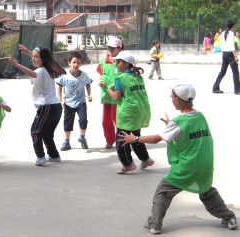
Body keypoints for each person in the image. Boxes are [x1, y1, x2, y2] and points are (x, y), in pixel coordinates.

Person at [119, 84, 238, 234]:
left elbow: (157, 139)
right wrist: (170, 126)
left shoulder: (178, 122)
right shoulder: (200, 116)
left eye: (172, 96)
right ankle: (229, 218)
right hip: (205, 164)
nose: (171, 99)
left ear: (179, 100)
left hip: (187, 166)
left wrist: (134, 138)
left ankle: (154, 224)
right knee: (207, 191)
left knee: (163, 191)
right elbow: (189, 133)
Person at [7, 45, 66, 166]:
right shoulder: (49, 69)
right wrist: (29, 52)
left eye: (36, 57)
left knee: (35, 131)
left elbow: (33, 74)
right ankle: (54, 156)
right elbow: (41, 59)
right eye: (32, 57)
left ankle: (41, 157)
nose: (33, 59)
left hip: (47, 107)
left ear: (43, 59)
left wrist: (16, 64)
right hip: (56, 107)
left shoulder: (40, 71)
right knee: (47, 134)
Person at [101, 51, 154, 174]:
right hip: (139, 112)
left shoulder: (121, 78)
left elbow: (116, 97)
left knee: (122, 140)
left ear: (125, 64)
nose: (116, 64)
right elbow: (128, 87)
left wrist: (107, 88)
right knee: (135, 138)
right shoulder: (137, 77)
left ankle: (128, 164)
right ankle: (145, 159)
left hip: (127, 114)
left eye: (118, 62)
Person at [56, 52, 93, 151]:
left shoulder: (84, 75)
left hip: (81, 103)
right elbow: (59, 87)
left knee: (83, 120)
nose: (76, 64)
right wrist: (60, 100)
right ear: (69, 63)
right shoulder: (64, 75)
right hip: (68, 104)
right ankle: (66, 142)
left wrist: (89, 94)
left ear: (81, 64)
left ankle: (82, 138)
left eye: (78, 63)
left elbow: (88, 84)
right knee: (68, 123)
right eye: (74, 62)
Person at [96, 37, 123, 149]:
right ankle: (110, 139)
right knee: (105, 120)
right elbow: (100, 74)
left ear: (119, 48)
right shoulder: (103, 60)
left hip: (117, 94)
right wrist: (99, 81)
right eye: (109, 47)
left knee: (117, 118)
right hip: (106, 94)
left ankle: (122, 139)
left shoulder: (122, 61)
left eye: (113, 48)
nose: (110, 50)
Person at [212, 20, 240, 94]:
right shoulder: (231, 34)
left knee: (222, 72)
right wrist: (236, 56)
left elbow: (223, 45)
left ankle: (215, 88)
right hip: (230, 55)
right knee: (235, 72)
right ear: (232, 27)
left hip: (224, 54)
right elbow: (232, 46)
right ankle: (237, 90)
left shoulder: (223, 33)